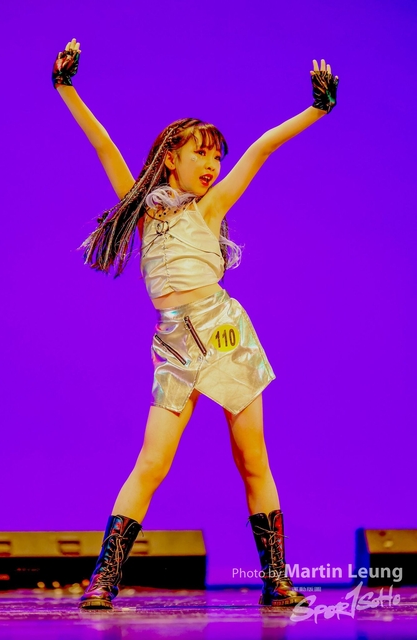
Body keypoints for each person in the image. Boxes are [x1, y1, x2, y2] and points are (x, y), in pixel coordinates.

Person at [52, 38, 339, 610]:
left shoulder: (212, 208)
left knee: (252, 459)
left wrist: (316, 109)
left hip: (227, 334)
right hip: (175, 343)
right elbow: (103, 143)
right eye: (200, 153)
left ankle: (277, 580)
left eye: (215, 156)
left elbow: (260, 148)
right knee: (152, 462)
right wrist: (66, 88)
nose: (211, 164)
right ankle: (104, 579)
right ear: (170, 157)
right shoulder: (142, 210)